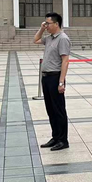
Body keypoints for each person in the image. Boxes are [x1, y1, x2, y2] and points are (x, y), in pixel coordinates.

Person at [34, 12, 71, 151]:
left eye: (48, 23)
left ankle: (63, 140)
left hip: (55, 77)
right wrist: (41, 28)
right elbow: (36, 40)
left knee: (58, 110)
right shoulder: (49, 38)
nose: (46, 26)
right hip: (46, 77)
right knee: (50, 109)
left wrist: (61, 82)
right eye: (45, 23)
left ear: (56, 24)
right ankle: (55, 137)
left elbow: (65, 61)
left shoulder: (63, 39)